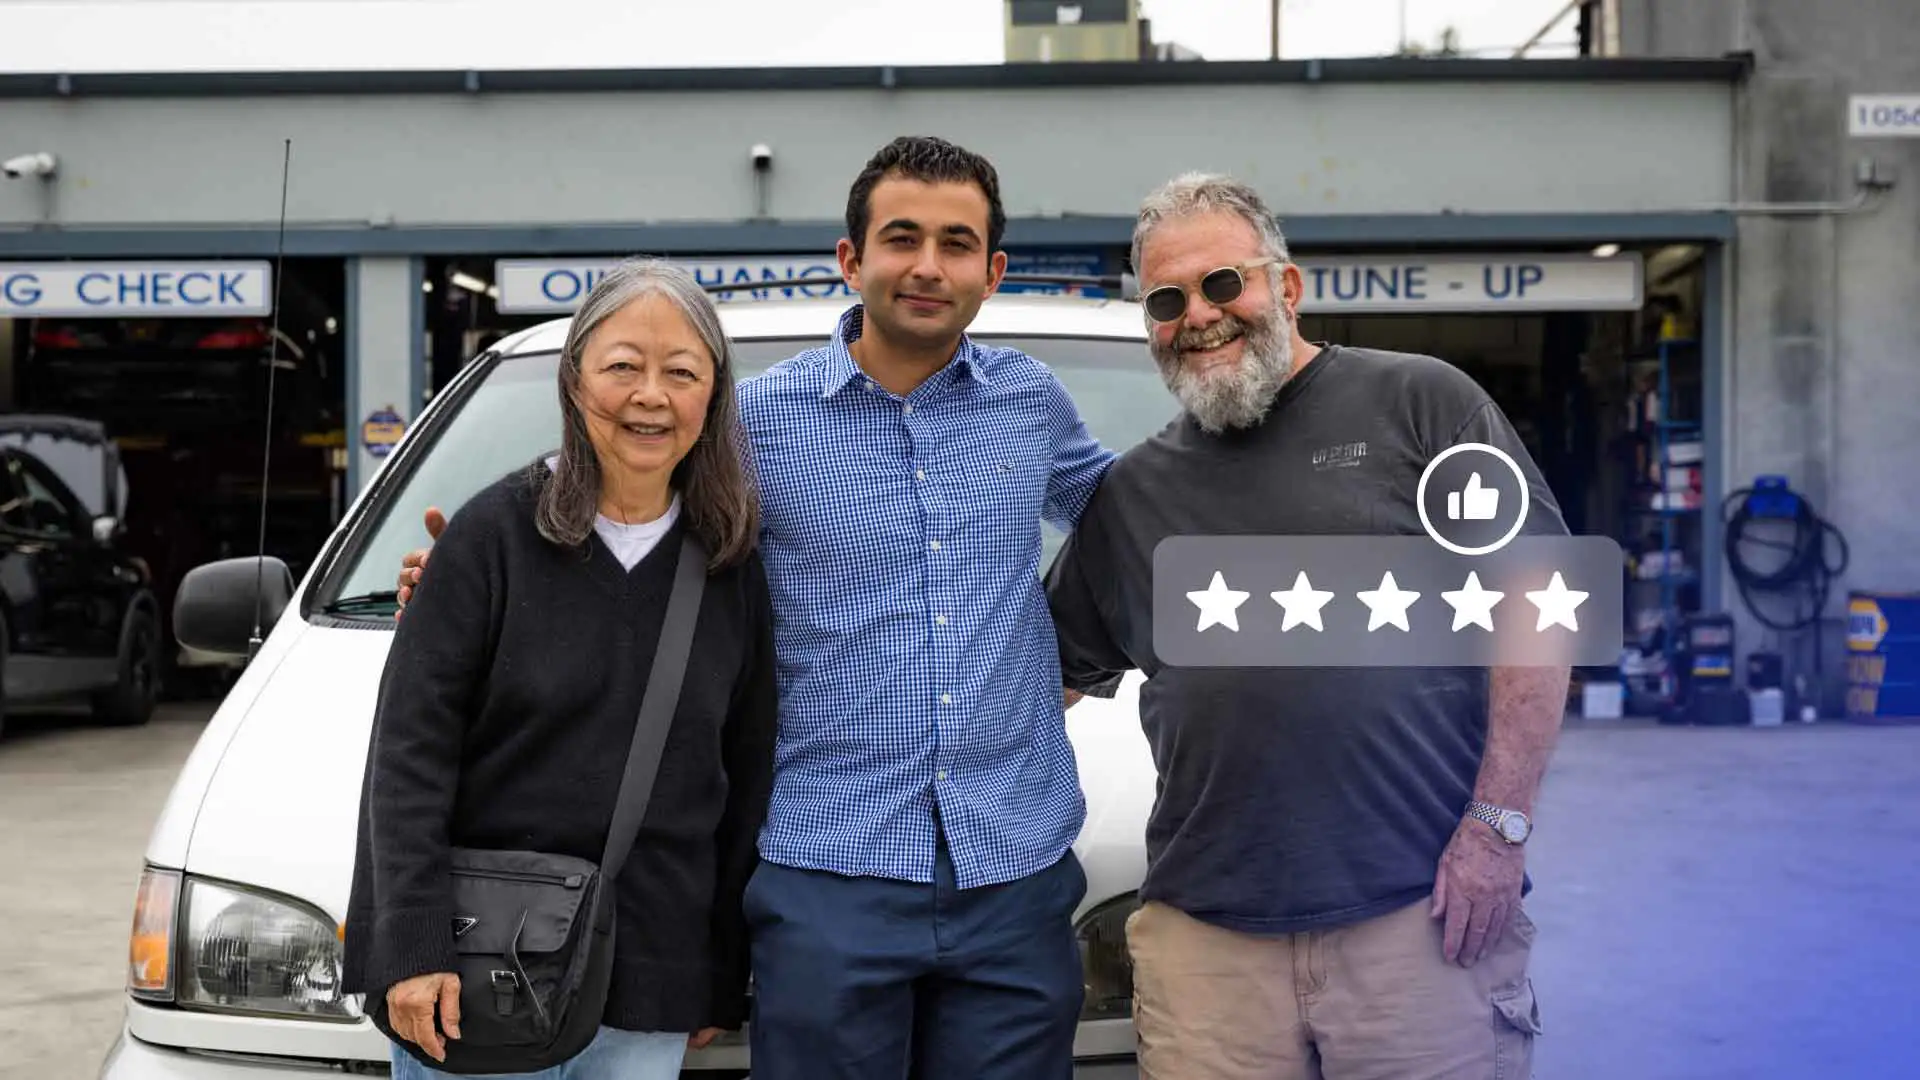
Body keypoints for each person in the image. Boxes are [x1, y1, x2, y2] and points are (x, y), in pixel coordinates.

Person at [395, 136, 1115, 1080]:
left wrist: (1085, 659)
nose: (929, 266)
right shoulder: (751, 428)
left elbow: (1134, 527)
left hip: (1015, 867)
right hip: (826, 869)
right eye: (902, 238)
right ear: (852, 260)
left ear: (994, 269)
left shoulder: (1034, 406)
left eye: (956, 242)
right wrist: (472, 580)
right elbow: (622, 525)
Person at [1044, 172, 1568, 1079]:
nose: (1198, 316)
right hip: (1207, 952)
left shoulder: (1421, 405)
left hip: (1419, 925)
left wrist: (1498, 828)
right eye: (1167, 299)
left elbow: (1543, 603)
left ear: (1286, 286)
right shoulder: (1129, 496)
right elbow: (1037, 681)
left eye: (1222, 284)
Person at [342, 258, 779, 1080]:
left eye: (682, 373)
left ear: (712, 399)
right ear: (575, 380)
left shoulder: (729, 566)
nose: (651, 394)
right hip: (476, 979)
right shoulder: (489, 540)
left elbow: (744, 783)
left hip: (648, 982)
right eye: (623, 367)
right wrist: (411, 942)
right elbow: (407, 758)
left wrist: (718, 975)